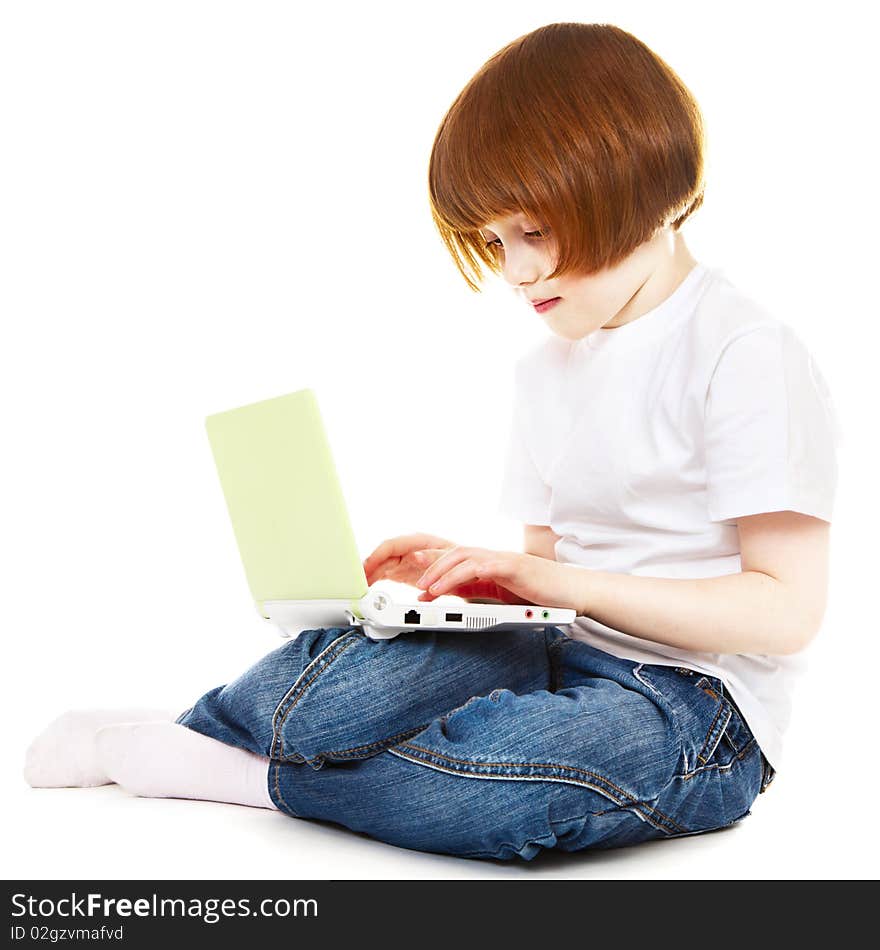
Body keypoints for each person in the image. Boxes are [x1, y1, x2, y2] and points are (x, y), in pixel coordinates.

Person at [23, 22, 838, 861]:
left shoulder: (745, 352)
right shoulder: (547, 367)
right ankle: (206, 728)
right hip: (559, 648)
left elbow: (785, 611)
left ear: (644, 187)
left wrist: (560, 583)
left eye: (535, 232)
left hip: (698, 707)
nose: (516, 274)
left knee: (499, 785)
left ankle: (242, 770)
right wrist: (474, 584)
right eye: (494, 242)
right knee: (336, 687)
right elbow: (551, 585)